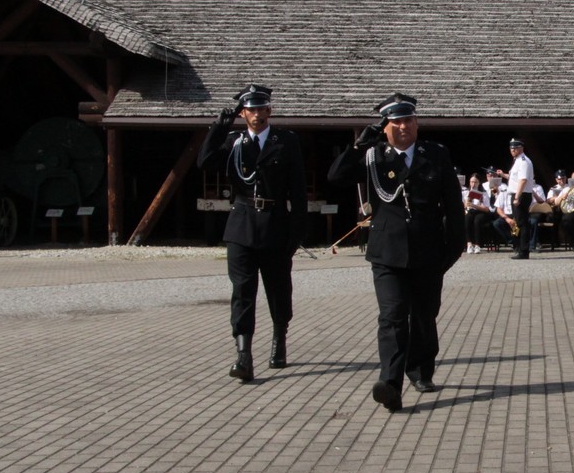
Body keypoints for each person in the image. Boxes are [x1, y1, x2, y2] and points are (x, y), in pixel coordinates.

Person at [328, 93, 465, 413]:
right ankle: (390, 383)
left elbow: (453, 207)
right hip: (387, 251)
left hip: (428, 249)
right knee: (391, 317)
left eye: (410, 120)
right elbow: (335, 176)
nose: (405, 126)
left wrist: (454, 248)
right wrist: (359, 146)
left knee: (423, 315)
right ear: (385, 126)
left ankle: (420, 370)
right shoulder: (374, 156)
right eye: (397, 121)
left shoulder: (436, 154)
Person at [197, 83, 307, 383]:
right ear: (243, 113)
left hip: (275, 224)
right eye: (251, 109)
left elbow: (297, 189)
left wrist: (296, 232)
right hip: (242, 224)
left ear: (269, 111)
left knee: (278, 289)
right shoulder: (233, 141)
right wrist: (219, 126)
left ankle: (279, 339)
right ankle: (243, 355)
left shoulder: (286, 141)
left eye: (261, 108)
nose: (256, 114)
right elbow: (204, 161)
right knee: (242, 292)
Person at [507, 138, 535, 260]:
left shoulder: (524, 161)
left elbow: (523, 180)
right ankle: (520, 248)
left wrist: (517, 197)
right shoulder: (517, 161)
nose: (513, 150)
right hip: (517, 193)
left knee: (522, 223)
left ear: (521, 148)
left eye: (516, 148)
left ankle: (524, 251)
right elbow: (515, 178)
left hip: (521, 194)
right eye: (511, 148)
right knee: (519, 222)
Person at [463, 173, 492, 253]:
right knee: (467, 218)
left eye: (475, 182)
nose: (473, 184)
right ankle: (469, 243)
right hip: (471, 211)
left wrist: (475, 206)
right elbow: (465, 205)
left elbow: (486, 209)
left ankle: (477, 245)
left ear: (479, 183)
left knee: (477, 220)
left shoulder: (484, 193)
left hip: (481, 211)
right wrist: (469, 197)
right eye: (471, 182)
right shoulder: (466, 191)